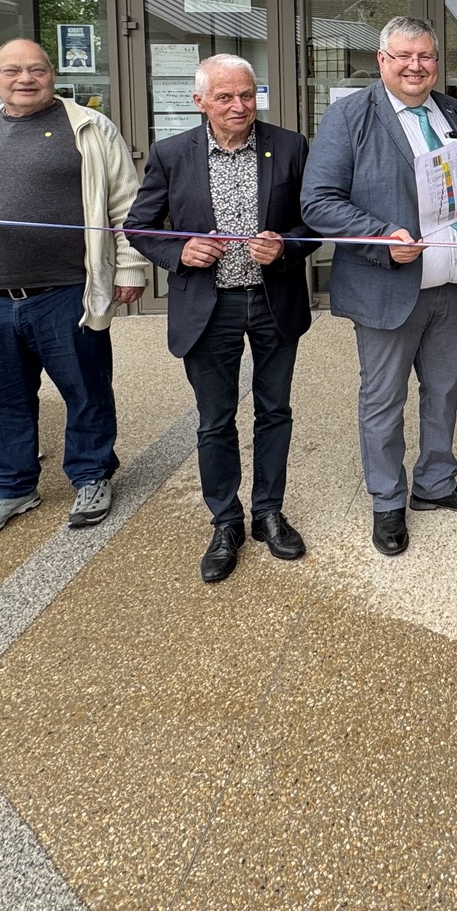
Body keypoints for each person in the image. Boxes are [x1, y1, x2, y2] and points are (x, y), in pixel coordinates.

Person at [0, 38, 146, 540]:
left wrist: (128, 267)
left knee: (85, 390)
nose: (25, 79)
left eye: (36, 69)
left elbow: (126, 203)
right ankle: (13, 486)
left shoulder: (88, 125)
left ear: (52, 74)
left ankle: (91, 476)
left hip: (64, 292)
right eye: (12, 70)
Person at [300, 16, 457, 557]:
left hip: (451, 287)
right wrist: (381, 236)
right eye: (404, 57)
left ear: (437, 61)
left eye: (427, 57)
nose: (417, 67)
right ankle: (387, 501)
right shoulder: (348, 116)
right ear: (383, 60)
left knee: (444, 390)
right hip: (387, 287)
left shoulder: (454, 112)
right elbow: (317, 202)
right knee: (383, 400)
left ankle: (435, 484)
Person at [126, 55, 311, 583]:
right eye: (226, 98)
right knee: (216, 418)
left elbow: (314, 221)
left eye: (248, 96)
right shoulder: (171, 154)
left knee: (275, 410)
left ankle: (268, 512)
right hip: (209, 306)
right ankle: (225, 521)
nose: (239, 107)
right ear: (200, 102)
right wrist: (178, 251)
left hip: (273, 300)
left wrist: (286, 247)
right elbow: (140, 228)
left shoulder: (290, 146)